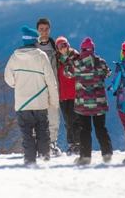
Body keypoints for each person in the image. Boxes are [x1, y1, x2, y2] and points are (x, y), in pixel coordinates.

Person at [5, 25, 59, 165]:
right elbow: (50, 80)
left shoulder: (14, 57)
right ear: (35, 41)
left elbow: (8, 78)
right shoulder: (41, 56)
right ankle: (45, 155)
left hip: (22, 103)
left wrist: (19, 85)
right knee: (42, 128)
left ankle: (29, 159)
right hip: (40, 101)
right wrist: (53, 102)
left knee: (26, 132)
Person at [64, 37, 113, 164]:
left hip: (83, 103)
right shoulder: (100, 62)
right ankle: (107, 153)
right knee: (101, 128)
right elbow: (108, 73)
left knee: (85, 130)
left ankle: (85, 156)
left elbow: (66, 73)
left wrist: (71, 61)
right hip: (99, 102)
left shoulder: (77, 63)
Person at [35, 17, 61, 156]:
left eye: (46, 29)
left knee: (53, 115)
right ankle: (38, 143)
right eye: (41, 30)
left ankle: (51, 143)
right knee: (37, 116)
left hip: (53, 86)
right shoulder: (33, 47)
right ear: (37, 30)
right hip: (37, 86)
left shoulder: (56, 46)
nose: (44, 32)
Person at [54, 36, 81, 155]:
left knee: (75, 120)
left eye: (64, 45)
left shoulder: (75, 57)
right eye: (60, 46)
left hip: (74, 94)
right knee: (67, 121)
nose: (62, 48)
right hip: (62, 95)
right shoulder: (57, 60)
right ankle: (72, 143)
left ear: (68, 45)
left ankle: (79, 143)